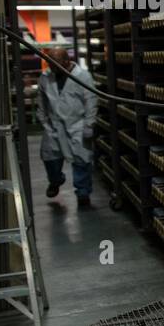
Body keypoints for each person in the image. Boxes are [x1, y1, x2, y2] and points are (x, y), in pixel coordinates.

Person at [36, 47, 98, 208]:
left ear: (67, 61)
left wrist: (89, 124)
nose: (53, 69)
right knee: (50, 158)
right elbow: (41, 101)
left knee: (81, 160)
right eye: (50, 65)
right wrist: (43, 121)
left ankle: (83, 193)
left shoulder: (83, 76)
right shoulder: (45, 77)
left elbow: (91, 101)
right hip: (54, 125)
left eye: (56, 65)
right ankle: (56, 180)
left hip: (77, 124)